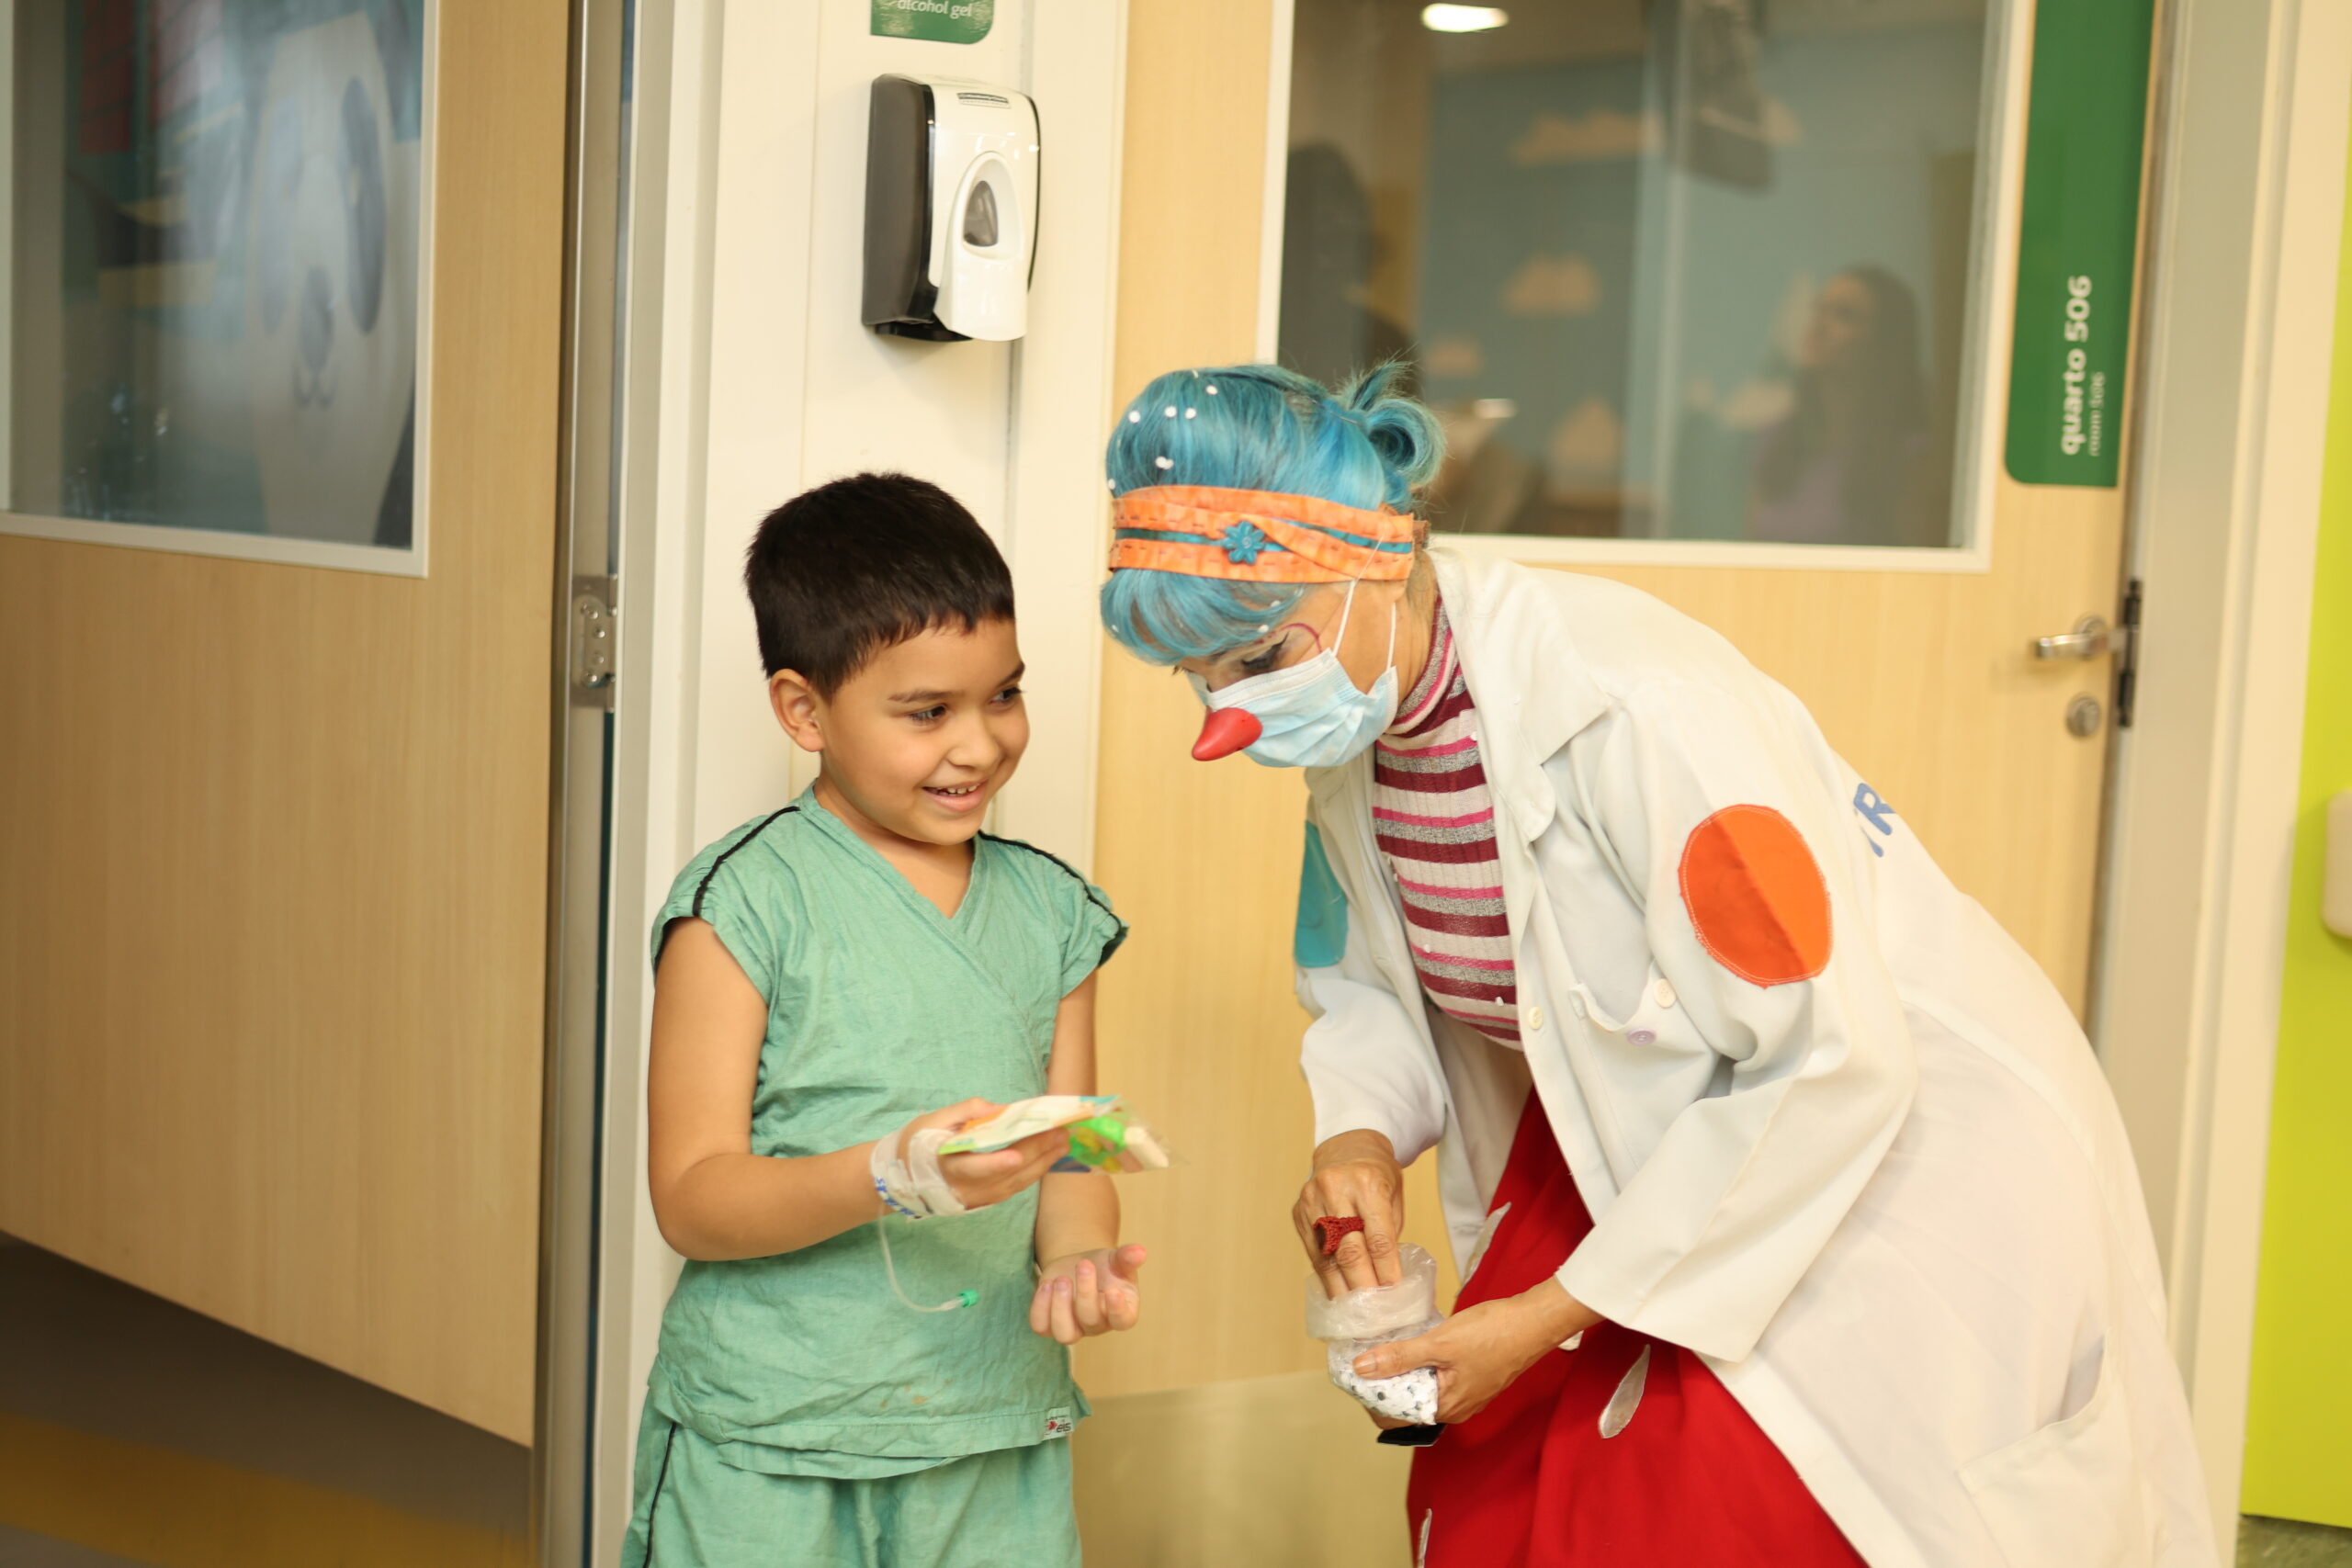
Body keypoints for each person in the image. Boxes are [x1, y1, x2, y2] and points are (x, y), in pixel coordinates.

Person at [1097, 366, 2216, 1567]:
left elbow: (1829, 1055)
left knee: (1726, 1515)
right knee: (1493, 1501)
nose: (1232, 714)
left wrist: (1542, 1317)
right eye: (1198, 677)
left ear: (1381, 554)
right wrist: (1358, 1136)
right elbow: (1367, 981)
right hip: (1651, 1137)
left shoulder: (1639, 705)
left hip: (1870, 1136)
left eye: (1261, 653)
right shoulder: (1360, 725)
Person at [622, 474, 1144, 1568]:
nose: (980, 745)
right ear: (804, 710)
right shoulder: (741, 908)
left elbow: (1076, 1140)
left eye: (1002, 696)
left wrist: (1078, 1255)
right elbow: (692, 1197)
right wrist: (888, 1176)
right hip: (773, 1441)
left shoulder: (1054, 912)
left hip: (988, 1424)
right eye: (926, 713)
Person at [1749, 265, 1942, 547]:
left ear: (1883, 342)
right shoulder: (1774, 442)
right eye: (1818, 310)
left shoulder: (1911, 459)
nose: (1819, 325)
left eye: (1843, 315)